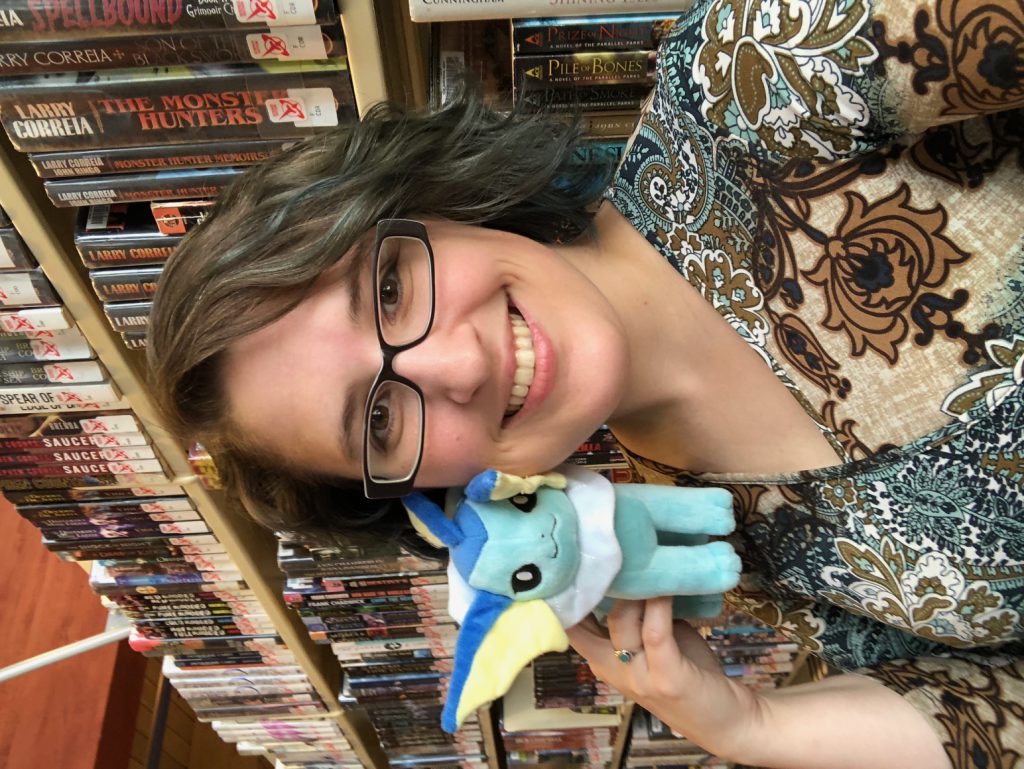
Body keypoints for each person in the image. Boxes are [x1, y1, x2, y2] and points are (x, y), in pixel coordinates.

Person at [147, 0, 1024, 766]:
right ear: (424, 497)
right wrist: (752, 726)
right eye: (379, 421)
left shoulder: (752, 81)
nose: (460, 366)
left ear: (422, 203)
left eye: (389, 291)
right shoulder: (733, 542)